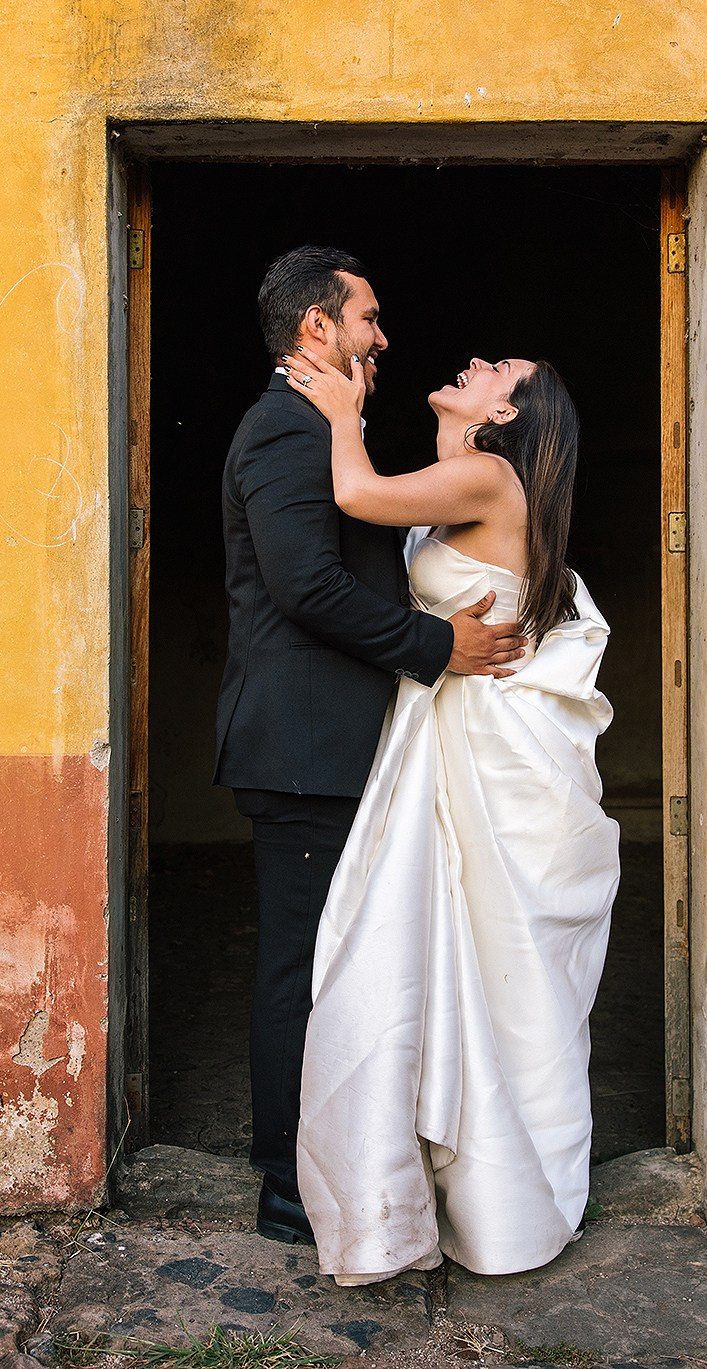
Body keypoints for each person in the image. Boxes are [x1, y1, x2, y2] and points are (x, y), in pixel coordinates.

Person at [281, 343, 620, 1283]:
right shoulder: (480, 475)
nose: (473, 360)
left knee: (482, 960)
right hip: (459, 731)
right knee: (473, 963)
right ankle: (485, 1193)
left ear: (508, 414)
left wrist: (344, 411)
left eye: (495, 368)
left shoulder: (484, 475)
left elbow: (356, 497)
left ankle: (496, 1192)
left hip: (484, 749)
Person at [214, 247, 528, 1246]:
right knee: (300, 964)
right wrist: (441, 645)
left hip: (342, 744)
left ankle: (340, 1162)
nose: (384, 338)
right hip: (304, 748)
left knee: (343, 961)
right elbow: (306, 587)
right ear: (319, 327)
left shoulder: (322, 432)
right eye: (370, 319)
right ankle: (286, 1186)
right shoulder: (281, 433)